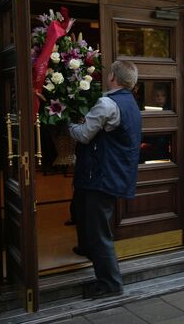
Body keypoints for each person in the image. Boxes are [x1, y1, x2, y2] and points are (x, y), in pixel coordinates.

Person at [69, 60, 142, 298]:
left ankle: (110, 284)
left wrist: (67, 126)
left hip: (101, 176)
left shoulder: (107, 103)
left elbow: (83, 135)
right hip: (114, 174)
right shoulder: (131, 102)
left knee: (99, 232)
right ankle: (94, 260)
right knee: (87, 218)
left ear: (112, 76)